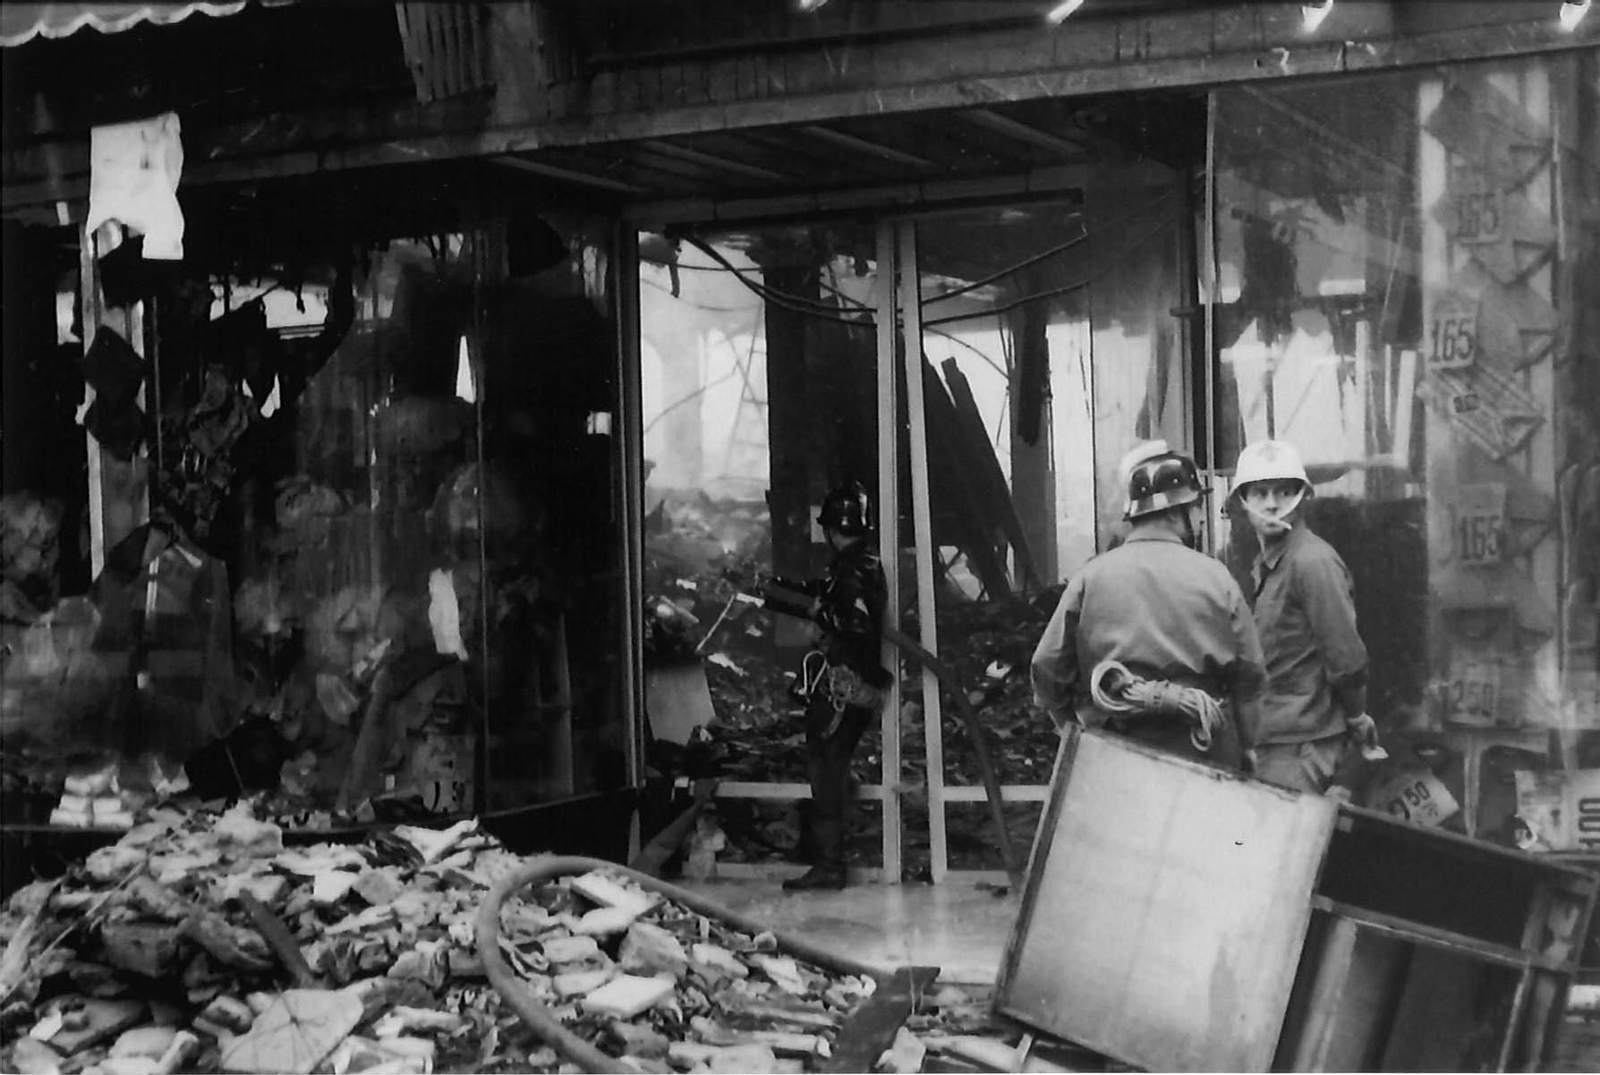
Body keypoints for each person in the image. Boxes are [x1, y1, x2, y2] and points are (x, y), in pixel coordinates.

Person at [1032, 442, 1265, 769]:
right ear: (1173, 512)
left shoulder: (1089, 579)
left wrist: (1070, 727)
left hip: (1115, 755)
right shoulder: (1217, 578)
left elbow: (1047, 669)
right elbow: (1250, 678)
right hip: (1204, 753)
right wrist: (1248, 748)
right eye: (1197, 507)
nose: (1201, 518)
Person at [760, 481, 892, 891]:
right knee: (827, 766)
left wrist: (821, 614)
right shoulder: (855, 564)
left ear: (832, 528)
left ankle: (830, 863)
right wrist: (775, 591)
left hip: (846, 686)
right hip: (847, 683)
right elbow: (824, 596)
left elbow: (854, 622)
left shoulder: (857, 568)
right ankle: (825, 855)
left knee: (826, 768)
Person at [1231, 439, 1374, 795]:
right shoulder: (1270, 563)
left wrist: (1357, 716)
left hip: (1301, 747)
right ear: (1243, 501)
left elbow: (1346, 659)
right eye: (1260, 493)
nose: (1272, 504)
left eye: (1283, 492)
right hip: (1274, 741)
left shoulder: (1312, 562)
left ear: (1301, 497)